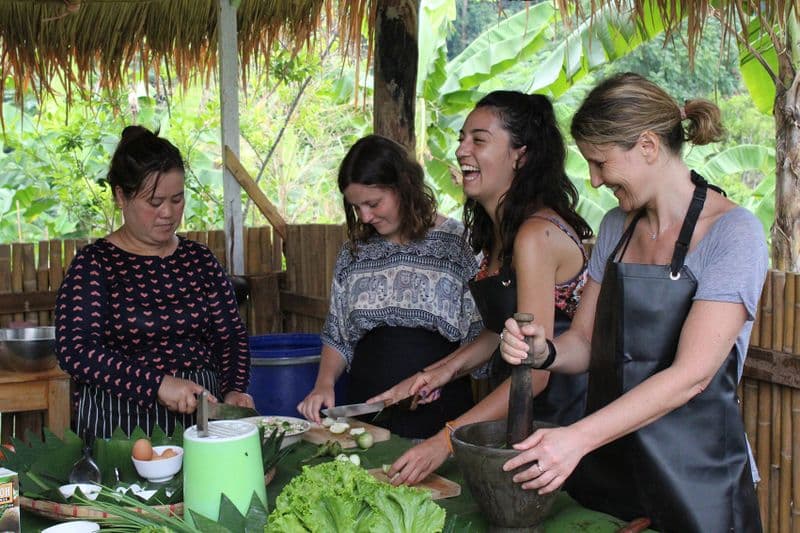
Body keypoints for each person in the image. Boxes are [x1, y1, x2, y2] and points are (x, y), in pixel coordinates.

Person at [500, 73, 767, 532]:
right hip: (614, 470)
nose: (594, 180)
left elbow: (691, 376)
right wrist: (543, 351)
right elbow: (585, 342)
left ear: (647, 146)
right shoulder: (614, 228)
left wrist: (576, 438)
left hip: (700, 481)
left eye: (600, 162)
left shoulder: (734, 233)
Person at [368, 91, 593, 485]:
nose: (461, 150)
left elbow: (535, 371)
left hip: (561, 425)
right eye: (461, 138)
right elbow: (501, 332)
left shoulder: (535, 235)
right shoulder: (502, 231)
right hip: (523, 416)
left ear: (520, 155)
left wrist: (444, 441)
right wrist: (435, 374)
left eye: (479, 140)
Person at [54, 126, 254, 438]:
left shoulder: (200, 260)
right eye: (155, 201)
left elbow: (230, 337)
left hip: (204, 421)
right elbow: (76, 351)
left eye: (177, 199)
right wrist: (156, 384)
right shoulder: (95, 264)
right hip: (121, 428)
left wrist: (233, 390)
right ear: (121, 196)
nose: (168, 213)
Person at [296, 134, 483, 439]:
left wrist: (437, 377)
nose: (365, 216)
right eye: (356, 207)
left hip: (439, 414)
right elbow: (338, 332)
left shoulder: (459, 246)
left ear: (404, 186)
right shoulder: (353, 254)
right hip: (366, 416)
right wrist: (324, 384)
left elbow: (483, 339)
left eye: (373, 203)